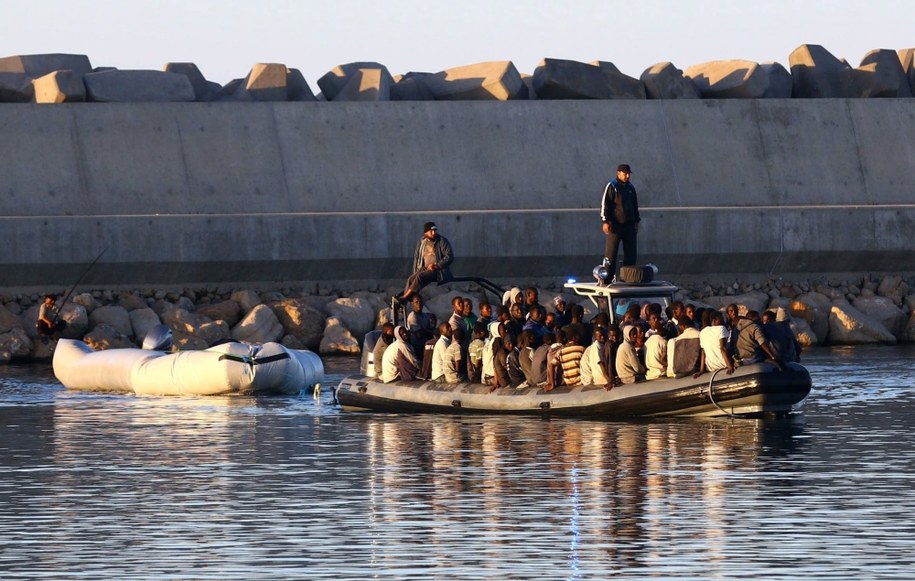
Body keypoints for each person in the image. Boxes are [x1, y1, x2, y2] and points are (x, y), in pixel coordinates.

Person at [600, 163, 640, 279]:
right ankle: (607, 278)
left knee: (631, 254)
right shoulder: (612, 186)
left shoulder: (630, 188)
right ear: (619, 173)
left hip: (629, 226)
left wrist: (636, 221)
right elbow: (605, 205)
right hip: (615, 226)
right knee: (611, 255)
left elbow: (634, 206)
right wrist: (605, 221)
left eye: (628, 174)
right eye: (625, 173)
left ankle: (628, 279)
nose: (627, 176)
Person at [397, 222, 454, 302]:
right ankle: (406, 299)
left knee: (421, 277)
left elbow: (449, 256)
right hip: (425, 268)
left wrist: (436, 266)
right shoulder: (422, 241)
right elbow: (417, 258)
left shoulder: (442, 241)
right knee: (411, 279)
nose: (434, 233)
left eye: (435, 230)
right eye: (431, 231)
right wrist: (415, 272)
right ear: (426, 232)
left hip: (438, 271)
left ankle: (405, 298)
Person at [695, 311, 735, 378]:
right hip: (723, 365)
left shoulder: (702, 332)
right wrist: (729, 366)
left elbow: (703, 352)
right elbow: (722, 348)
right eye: (721, 319)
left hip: (710, 368)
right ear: (714, 321)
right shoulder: (721, 328)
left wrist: (701, 370)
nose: (723, 321)